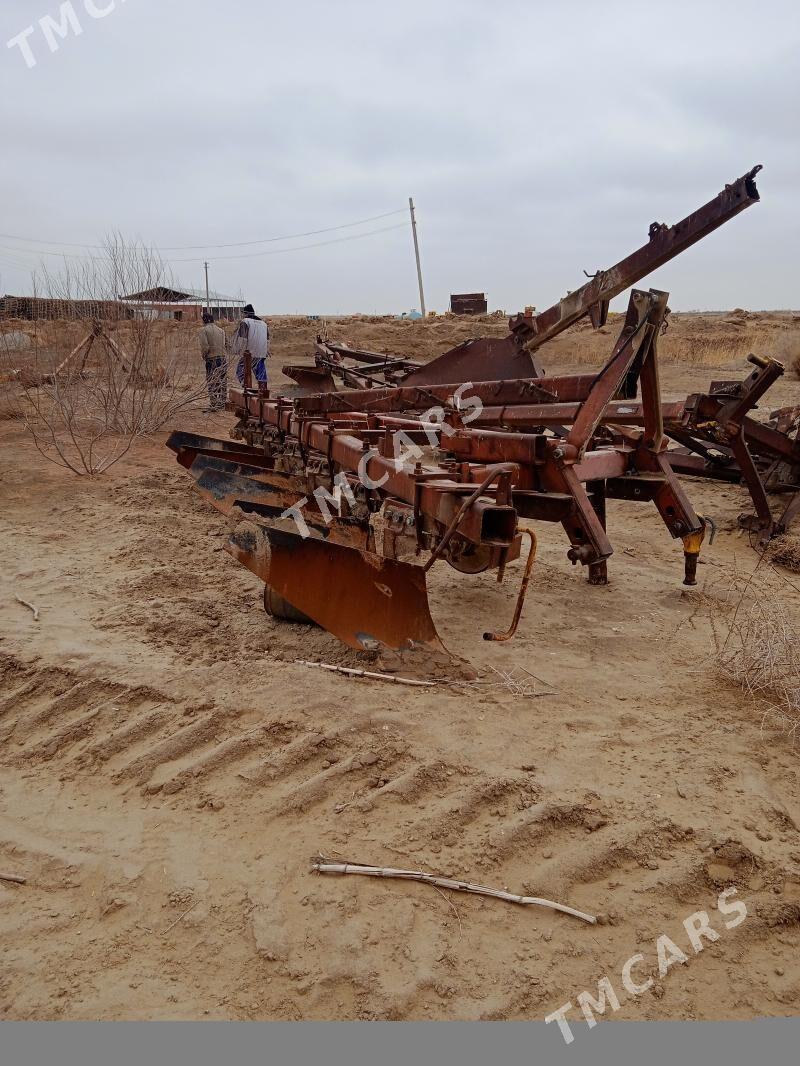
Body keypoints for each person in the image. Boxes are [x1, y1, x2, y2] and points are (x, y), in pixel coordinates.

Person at [232, 303, 269, 386]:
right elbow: (267, 340)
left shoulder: (245, 322)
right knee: (261, 374)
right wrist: (266, 351)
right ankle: (263, 391)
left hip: (249, 353)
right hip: (261, 353)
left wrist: (241, 352)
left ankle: (246, 387)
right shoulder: (264, 324)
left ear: (246, 313)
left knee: (241, 371)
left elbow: (243, 339)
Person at [198, 311, 228, 412]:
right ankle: (222, 402)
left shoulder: (203, 330)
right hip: (223, 358)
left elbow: (205, 346)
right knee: (222, 380)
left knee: (212, 381)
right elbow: (227, 344)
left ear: (204, 320)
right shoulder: (221, 330)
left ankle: (214, 403)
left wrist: (204, 356)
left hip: (211, 359)